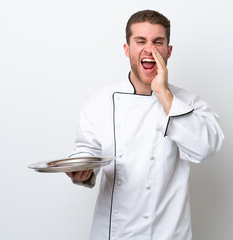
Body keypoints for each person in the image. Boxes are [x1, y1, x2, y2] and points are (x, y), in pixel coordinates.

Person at [66, 9, 224, 240]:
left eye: (157, 42)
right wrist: (82, 170)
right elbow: (87, 150)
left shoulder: (188, 102)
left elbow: (206, 147)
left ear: (168, 51)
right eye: (140, 41)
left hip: (165, 233)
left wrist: (164, 94)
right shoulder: (99, 102)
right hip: (111, 234)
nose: (149, 49)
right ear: (127, 49)